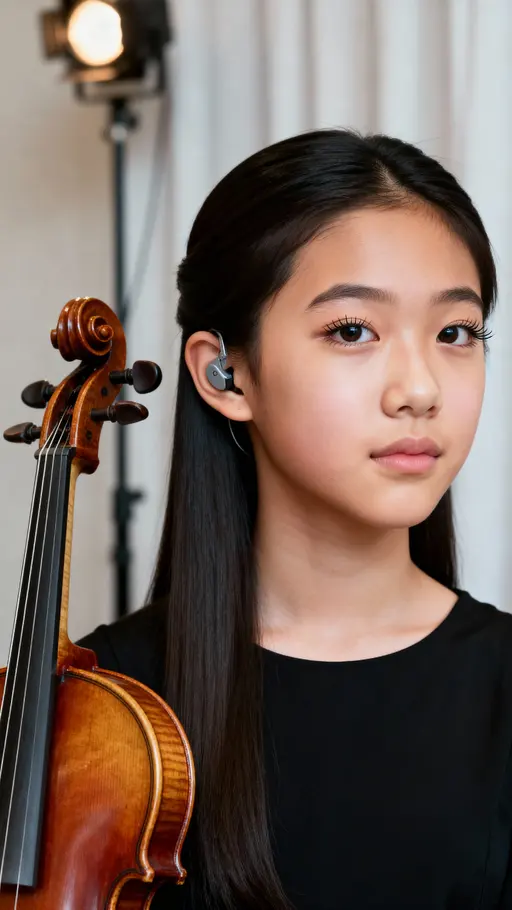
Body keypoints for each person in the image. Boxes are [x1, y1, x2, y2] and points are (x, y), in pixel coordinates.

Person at [78, 128, 512, 910]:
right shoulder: (102, 713)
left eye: (456, 333)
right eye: (353, 331)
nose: (419, 388)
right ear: (225, 373)